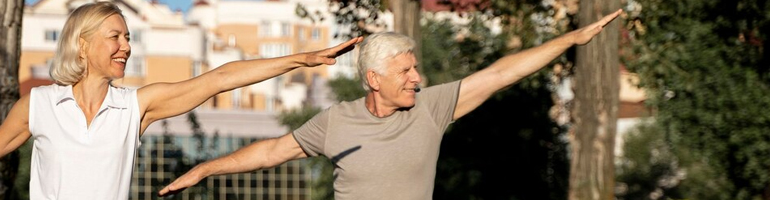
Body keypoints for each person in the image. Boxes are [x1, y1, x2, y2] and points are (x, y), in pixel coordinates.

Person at [0, 2, 361, 200]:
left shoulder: (136, 106)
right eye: (115, 36)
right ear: (82, 44)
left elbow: (220, 78)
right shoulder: (40, 104)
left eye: (129, 37)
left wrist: (300, 58)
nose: (126, 46)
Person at [158, 10, 624, 199]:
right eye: (406, 71)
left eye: (416, 69)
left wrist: (573, 38)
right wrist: (204, 170)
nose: (418, 78)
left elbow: (502, 73)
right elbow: (270, 152)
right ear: (374, 79)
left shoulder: (431, 107)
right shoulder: (334, 121)